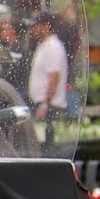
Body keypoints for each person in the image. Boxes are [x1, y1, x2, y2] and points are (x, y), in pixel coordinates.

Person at [27, 11, 69, 152]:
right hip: (41, 103)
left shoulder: (53, 46)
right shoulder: (43, 46)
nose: (33, 29)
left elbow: (53, 77)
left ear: (46, 26)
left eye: (36, 26)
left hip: (50, 106)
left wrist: (45, 104)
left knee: (49, 146)